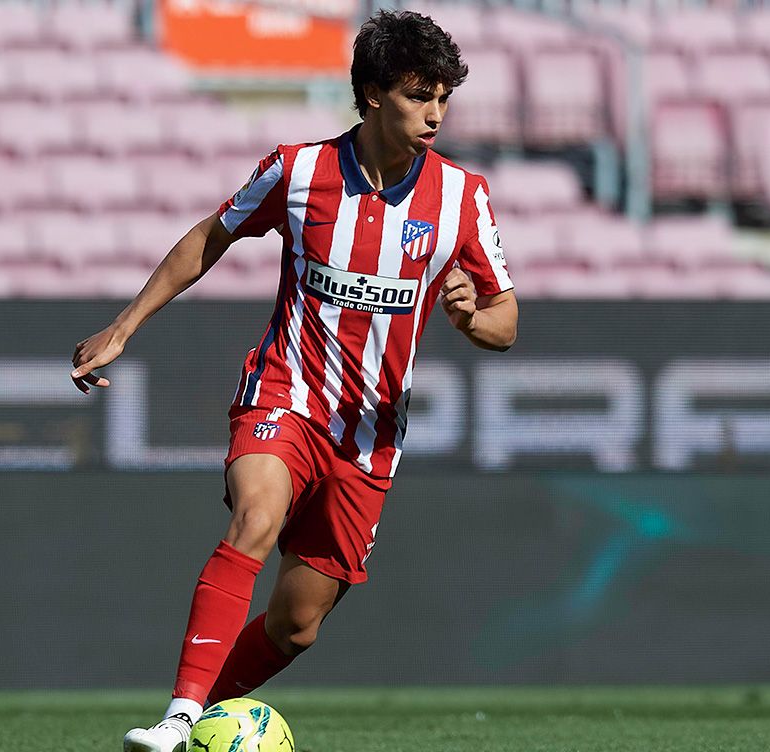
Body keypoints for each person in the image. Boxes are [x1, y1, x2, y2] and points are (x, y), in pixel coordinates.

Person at [70, 10, 518, 752]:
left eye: (443, 96)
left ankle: (200, 716)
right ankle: (180, 720)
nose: (435, 113)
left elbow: (506, 318)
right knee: (255, 519)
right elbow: (209, 238)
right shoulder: (298, 169)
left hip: (370, 437)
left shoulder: (461, 197)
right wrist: (125, 326)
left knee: (297, 623)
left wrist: (472, 320)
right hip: (286, 397)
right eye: (418, 95)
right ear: (372, 93)